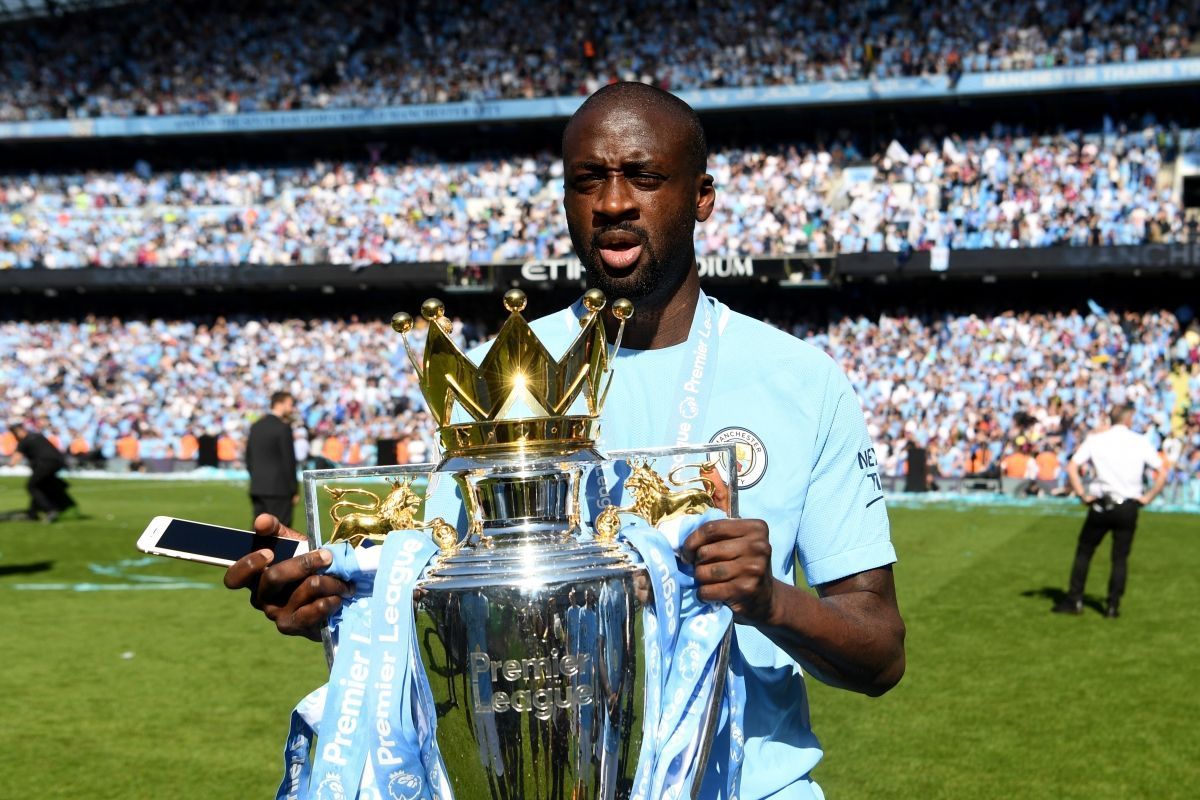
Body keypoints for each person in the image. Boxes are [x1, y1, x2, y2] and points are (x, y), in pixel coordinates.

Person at [225, 83, 905, 799]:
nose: (613, 201)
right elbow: (442, 609)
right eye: (588, 180)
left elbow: (880, 652)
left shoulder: (800, 380)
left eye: (643, 176)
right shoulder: (503, 380)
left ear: (701, 196)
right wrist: (336, 604)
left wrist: (768, 600)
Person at [1054, 404, 1168, 618]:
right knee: (1120, 557)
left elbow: (1072, 466)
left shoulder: (1097, 440)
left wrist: (1081, 494)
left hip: (1101, 503)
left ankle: (1075, 599)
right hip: (1128, 505)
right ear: (1128, 419)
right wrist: (1148, 497)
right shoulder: (1140, 441)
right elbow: (1162, 471)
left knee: (1085, 551)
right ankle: (1113, 605)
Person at [245, 392, 299, 528]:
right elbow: (288, 461)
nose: (292, 409)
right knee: (281, 531)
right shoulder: (283, 428)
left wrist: (256, 477)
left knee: (259, 530)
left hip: (258, 487)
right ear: (279, 404)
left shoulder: (256, 426)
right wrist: (294, 489)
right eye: (290, 405)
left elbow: (248, 458)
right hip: (280, 489)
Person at [8, 421, 76, 522]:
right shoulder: (37, 435)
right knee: (40, 486)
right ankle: (32, 514)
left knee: (32, 486)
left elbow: (13, 462)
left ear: (17, 431)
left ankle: (50, 510)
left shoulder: (24, 442)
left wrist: (8, 464)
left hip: (45, 464)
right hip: (58, 461)